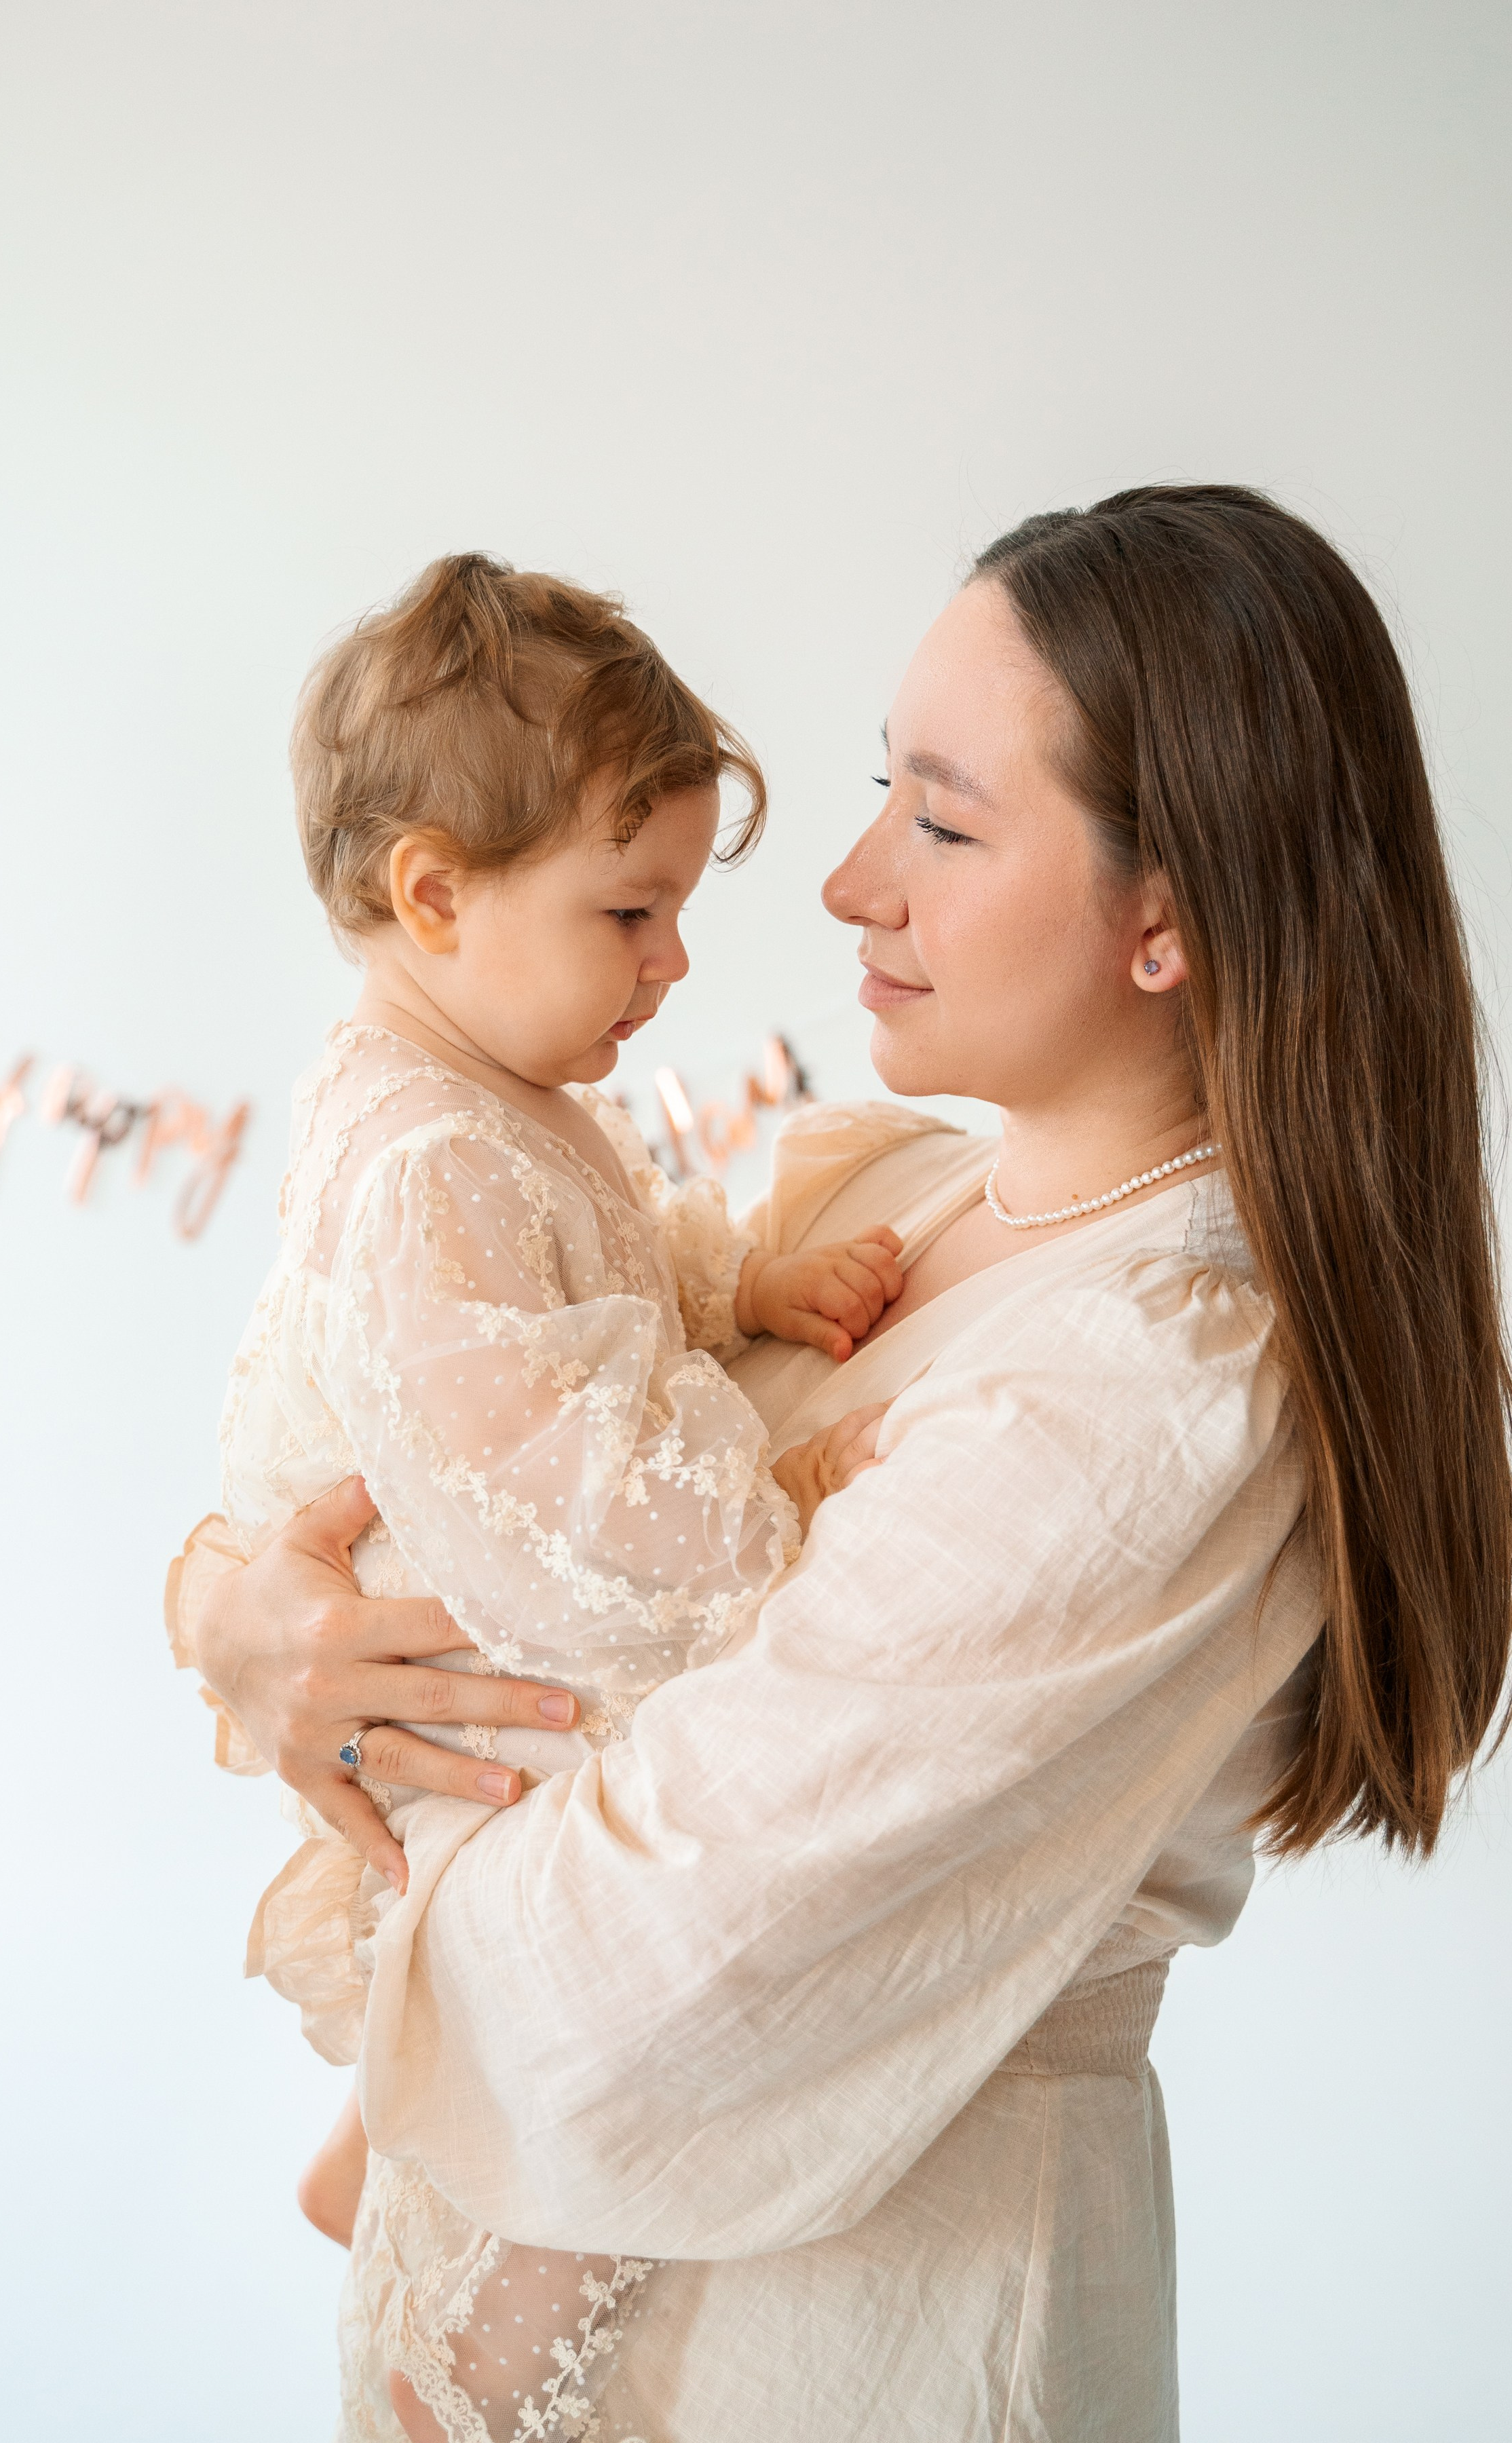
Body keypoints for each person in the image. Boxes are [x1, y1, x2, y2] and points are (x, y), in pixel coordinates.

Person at [183, 487, 1511, 2442]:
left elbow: (650, 1971)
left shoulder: (1161, 1386)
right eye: (887, 791)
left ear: (1173, 916)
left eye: (947, 824)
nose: (843, 887)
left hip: (841, 2365)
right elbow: (441, 1424)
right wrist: (233, 1611)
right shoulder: (896, 1199)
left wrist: (374, 1755)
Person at [176, 550, 909, 2441]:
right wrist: (794, 1494)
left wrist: (729, 1285)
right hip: (470, 1698)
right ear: (436, 895)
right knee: (588, 2091)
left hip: (466, 1695)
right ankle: (451, 2378)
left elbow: (590, 1286)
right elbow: (564, 1493)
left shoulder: (499, 1097)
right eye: (631, 910)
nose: (673, 963)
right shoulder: (425, 1156)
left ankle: (377, 2159)